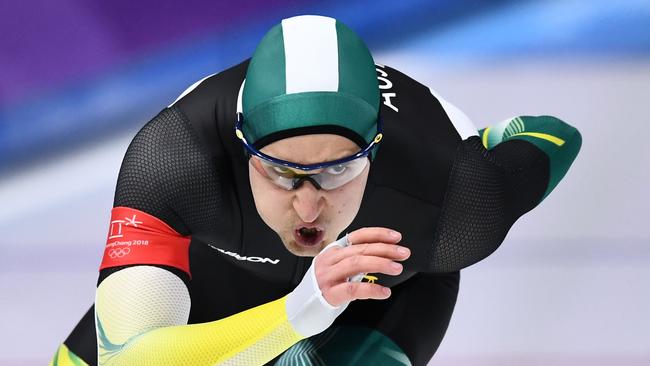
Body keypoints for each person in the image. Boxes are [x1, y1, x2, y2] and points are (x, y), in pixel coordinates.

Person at [49, 15, 581, 366]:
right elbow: (127, 358)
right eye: (280, 171)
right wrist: (294, 313)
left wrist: (487, 143)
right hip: (218, 269)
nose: (308, 205)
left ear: (373, 153)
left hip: (382, 291)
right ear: (239, 148)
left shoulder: (454, 197)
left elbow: (556, 136)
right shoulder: (176, 158)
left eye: (337, 171)